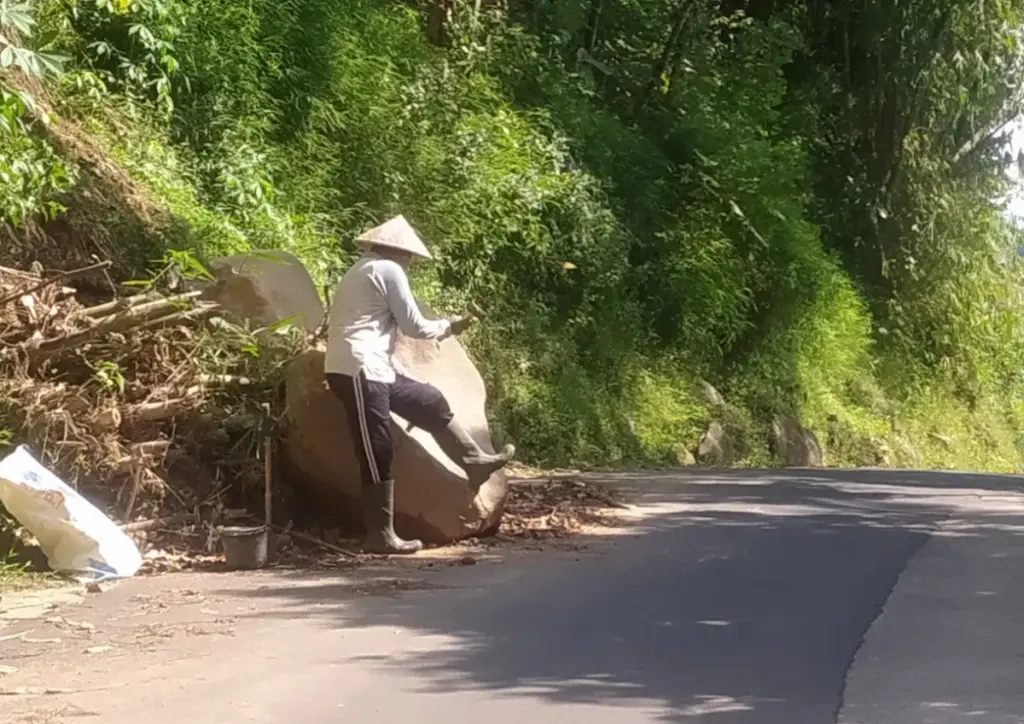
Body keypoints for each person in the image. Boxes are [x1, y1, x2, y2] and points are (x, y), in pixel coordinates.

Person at [325, 215, 516, 554]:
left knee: (427, 400)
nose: (409, 262)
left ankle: (472, 459)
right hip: (358, 368)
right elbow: (413, 325)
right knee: (377, 447)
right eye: (409, 256)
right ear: (398, 250)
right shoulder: (387, 269)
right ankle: (380, 534)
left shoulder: (366, 268)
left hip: (373, 367)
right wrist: (449, 327)